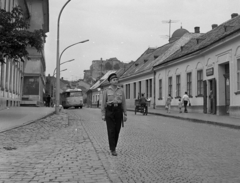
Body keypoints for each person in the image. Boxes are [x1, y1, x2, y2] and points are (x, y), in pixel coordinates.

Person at [101, 73, 127, 156]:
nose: (116, 81)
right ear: (110, 81)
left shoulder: (121, 90)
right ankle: (113, 149)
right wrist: (103, 114)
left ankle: (114, 146)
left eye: (116, 79)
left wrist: (125, 114)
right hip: (110, 110)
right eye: (114, 80)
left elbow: (123, 103)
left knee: (117, 130)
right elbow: (103, 103)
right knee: (111, 130)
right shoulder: (106, 91)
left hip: (118, 110)